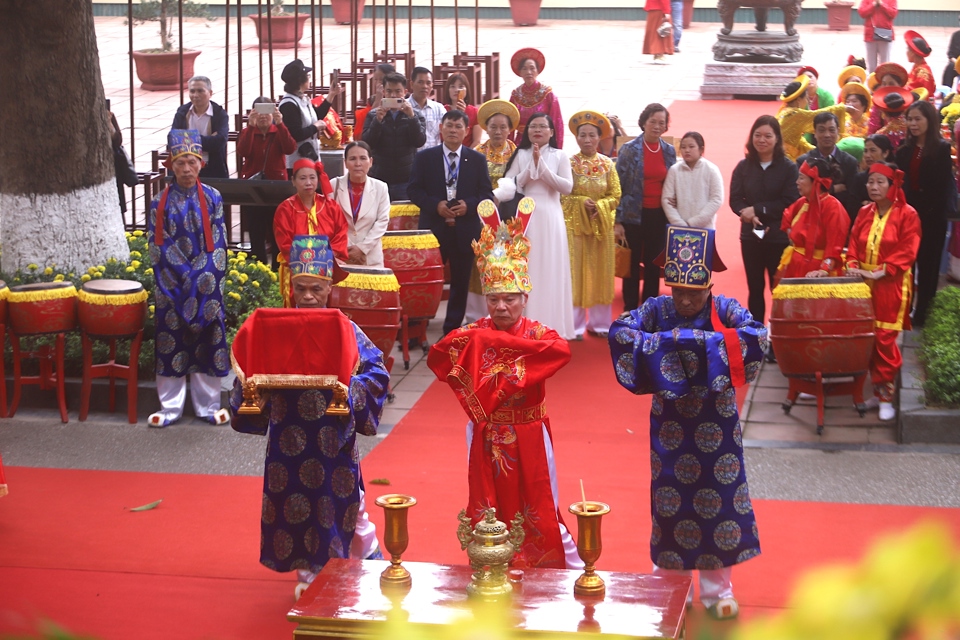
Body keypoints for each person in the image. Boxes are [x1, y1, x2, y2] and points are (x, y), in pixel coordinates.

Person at [608, 225, 766, 621]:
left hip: (718, 423)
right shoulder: (657, 310)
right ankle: (670, 584)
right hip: (672, 425)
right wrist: (663, 346)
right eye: (677, 291)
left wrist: (703, 345)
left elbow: (757, 336)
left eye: (693, 294)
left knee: (719, 499)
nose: (683, 300)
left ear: (709, 287)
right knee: (670, 501)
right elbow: (621, 332)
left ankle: (717, 589)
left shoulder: (725, 309)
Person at [229, 235, 389, 600]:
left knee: (350, 504)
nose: (308, 297)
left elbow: (376, 371)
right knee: (296, 506)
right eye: (301, 288)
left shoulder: (343, 327)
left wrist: (351, 390)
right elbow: (247, 372)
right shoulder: (274, 327)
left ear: (329, 288)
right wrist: (258, 390)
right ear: (290, 285)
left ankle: (370, 559)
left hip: (333, 437)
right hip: (288, 438)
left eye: (316, 289)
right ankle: (311, 571)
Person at [426, 212, 582, 570]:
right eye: (494, 298)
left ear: (524, 297)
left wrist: (496, 350)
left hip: (528, 431)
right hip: (486, 432)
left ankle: (561, 565)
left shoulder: (539, 334)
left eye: (510, 298)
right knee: (488, 504)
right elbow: (441, 357)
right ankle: (492, 564)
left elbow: (561, 351)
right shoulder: (474, 332)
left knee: (540, 501)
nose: (501, 307)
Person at [146, 130, 230, 428]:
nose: (186, 169)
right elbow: (159, 245)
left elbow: (219, 243)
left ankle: (209, 406)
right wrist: (185, 277)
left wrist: (200, 277)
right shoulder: (160, 203)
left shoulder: (213, 197)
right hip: (172, 286)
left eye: (191, 162)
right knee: (171, 342)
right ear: (171, 164)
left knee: (207, 338)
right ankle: (170, 408)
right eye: (180, 163)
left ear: (200, 164)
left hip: (206, 285)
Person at [407, 110, 494, 335]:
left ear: (466, 131)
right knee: (424, 281)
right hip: (433, 228)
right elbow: (414, 190)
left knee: (460, 280)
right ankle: (417, 331)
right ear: (441, 128)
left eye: (458, 126)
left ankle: (452, 330)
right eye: (449, 126)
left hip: (465, 230)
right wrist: (435, 205)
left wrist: (469, 205)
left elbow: (486, 194)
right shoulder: (425, 157)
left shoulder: (477, 159)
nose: (453, 130)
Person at [845, 164, 921, 421]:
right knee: (868, 339)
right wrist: (853, 265)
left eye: (880, 182)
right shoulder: (865, 212)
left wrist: (882, 270)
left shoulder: (908, 214)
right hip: (863, 286)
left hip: (891, 284)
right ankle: (877, 393)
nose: (874, 187)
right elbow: (853, 242)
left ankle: (886, 396)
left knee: (885, 340)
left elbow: (908, 249)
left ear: (892, 186)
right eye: (870, 182)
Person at [497, 113, 576, 339]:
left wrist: (543, 169)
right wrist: (529, 170)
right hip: (525, 217)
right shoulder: (521, 154)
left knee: (550, 266)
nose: (537, 130)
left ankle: (552, 325)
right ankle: (524, 323)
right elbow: (509, 185)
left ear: (552, 132)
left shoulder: (560, 155)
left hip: (550, 216)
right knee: (528, 267)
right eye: (533, 126)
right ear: (527, 131)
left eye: (543, 126)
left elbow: (567, 187)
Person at [730, 115, 799, 326]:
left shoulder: (788, 168)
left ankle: (778, 334)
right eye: (757, 135)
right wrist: (746, 212)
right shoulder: (743, 166)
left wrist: (758, 209)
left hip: (778, 236)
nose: (762, 140)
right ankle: (756, 334)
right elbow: (735, 199)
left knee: (778, 289)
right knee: (755, 287)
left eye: (768, 136)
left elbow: (790, 201)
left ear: (777, 138)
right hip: (750, 235)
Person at [560, 111, 622, 339]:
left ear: (599, 138)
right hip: (575, 228)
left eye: (591, 135)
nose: (587, 140)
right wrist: (579, 201)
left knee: (600, 274)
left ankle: (600, 324)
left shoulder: (607, 164)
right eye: (582, 135)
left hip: (600, 227)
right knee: (576, 275)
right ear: (576, 138)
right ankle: (574, 326)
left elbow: (615, 195)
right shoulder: (569, 164)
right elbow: (563, 196)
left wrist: (601, 205)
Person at [895, 100, 954, 327]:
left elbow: (940, 187)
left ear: (930, 120)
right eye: (910, 119)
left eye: (918, 118)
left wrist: (923, 211)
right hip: (907, 213)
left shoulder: (941, 148)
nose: (913, 123)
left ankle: (923, 313)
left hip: (932, 215)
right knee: (905, 263)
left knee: (928, 266)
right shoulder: (904, 148)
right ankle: (903, 308)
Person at [615, 103, 676, 311]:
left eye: (662, 122)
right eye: (653, 122)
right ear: (643, 123)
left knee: (653, 264)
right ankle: (630, 308)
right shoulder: (629, 150)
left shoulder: (669, 151)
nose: (657, 126)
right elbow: (618, 186)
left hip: (658, 215)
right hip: (633, 215)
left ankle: (651, 309)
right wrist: (618, 220)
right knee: (631, 265)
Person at [469, 99, 521, 322]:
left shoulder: (518, 153)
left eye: (503, 127)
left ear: (510, 129)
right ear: (486, 128)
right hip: (481, 215)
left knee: (507, 259)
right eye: (493, 127)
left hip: (509, 216)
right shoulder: (476, 152)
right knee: (482, 260)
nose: (498, 131)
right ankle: (476, 311)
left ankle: (508, 307)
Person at [274, 159, 349, 307]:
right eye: (302, 178)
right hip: (297, 272)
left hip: (327, 270)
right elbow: (285, 243)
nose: (308, 182)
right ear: (293, 181)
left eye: (312, 177)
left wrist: (328, 258)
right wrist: (306, 264)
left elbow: (340, 233)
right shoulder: (285, 209)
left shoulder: (330, 206)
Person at [237, 96, 298, 264]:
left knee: (277, 230)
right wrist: (250, 127)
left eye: (267, 112)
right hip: (252, 187)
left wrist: (280, 124)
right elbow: (243, 151)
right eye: (259, 112)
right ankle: (258, 267)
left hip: (276, 188)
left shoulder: (279, 131)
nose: (263, 116)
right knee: (255, 231)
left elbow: (290, 148)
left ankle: (278, 268)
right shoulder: (247, 131)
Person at [777, 158, 851, 280]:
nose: (797, 182)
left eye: (801, 178)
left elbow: (834, 245)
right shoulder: (802, 202)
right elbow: (786, 219)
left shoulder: (833, 207)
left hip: (818, 269)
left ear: (815, 181)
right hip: (795, 264)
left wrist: (824, 269)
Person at [362, 72, 427, 201]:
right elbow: (367, 143)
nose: (393, 95)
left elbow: (419, 141)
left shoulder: (415, 115)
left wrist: (411, 117)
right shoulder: (373, 115)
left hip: (405, 179)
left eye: (398, 91)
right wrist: (377, 121)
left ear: (405, 92)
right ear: (384, 92)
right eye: (389, 91)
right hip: (379, 178)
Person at [329, 141, 390, 267]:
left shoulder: (381, 187)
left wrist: (362, 249)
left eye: (363, 158)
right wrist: (348, 248)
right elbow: (329, 221)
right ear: (345, 162)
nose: (358, 164)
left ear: (371, 162)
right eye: (352, 159)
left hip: (370, 257)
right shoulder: (334, 185)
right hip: (341, 256)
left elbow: (382, 222)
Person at [796, 112, 862, 226]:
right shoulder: (804, 162)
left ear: (838, 131)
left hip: (840, 222)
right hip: (809, 223)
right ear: (814, 133)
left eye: (831, 130)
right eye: (821, 130)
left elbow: (852, 198)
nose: (827, 135)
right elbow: (800, 195)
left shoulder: (850, 162)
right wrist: (833, 189)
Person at [278, 59, 343, 170]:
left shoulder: (302, 98)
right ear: (300, 81)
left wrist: (331, 95)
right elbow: (296, 134)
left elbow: (316, 116)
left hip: (310, 156)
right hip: (296, 160)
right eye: (308, 76)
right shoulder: (288, 104)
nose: (309, 79)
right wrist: (315, 127)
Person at [662, 131, 724, 230]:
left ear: (701, 149)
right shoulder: (674, 170)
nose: (687, 150)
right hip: (679, 229)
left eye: (691, 147)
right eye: (683, 147)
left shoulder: (711, 170)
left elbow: (716, 200)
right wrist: (680, 224)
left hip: (704, 228)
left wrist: (693, 223)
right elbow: (667, 200)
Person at [777, 77, 849, 161]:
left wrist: (817, 151)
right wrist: (842, 108)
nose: (808, 102)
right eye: (807, 98)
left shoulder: (784, 111)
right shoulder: (795, 114)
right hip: (785, 157)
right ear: (799, 100)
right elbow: (816, 116)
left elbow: (799, 142)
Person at [171, 76, 229, 179]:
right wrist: (208, 139)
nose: (195, 95)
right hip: (186, 168)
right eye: (192, 91)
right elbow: (172, 139)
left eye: (200, 91)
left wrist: (186, 139)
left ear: (210, 93)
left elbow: (219, 142)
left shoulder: (219, 114)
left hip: (212, 167)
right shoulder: (182, 112)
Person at [508, 48, 564, 148]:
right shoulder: (515, 95)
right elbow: (510, 125)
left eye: (532, 68)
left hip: (543, 142)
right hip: (521, 142)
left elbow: (557, 123)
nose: (528, 72)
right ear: (520, 72)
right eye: (524, 69)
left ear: (538, 71)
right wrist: (508, 148)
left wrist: (556, 149)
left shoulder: (548, 94)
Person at [407, 67, 446, 150]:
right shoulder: (404, 107)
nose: (424, 86)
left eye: (428, 83)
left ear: (432, 85)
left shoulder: (439, 109)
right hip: (410, 159)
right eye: (420, 82)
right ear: (411, 84)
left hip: (433, 158)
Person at [851, 133, 896, 206]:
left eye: (873, 150)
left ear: (885, 153)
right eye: (865, 151)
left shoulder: (897, 177)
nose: (867, 155)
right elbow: (852, 206)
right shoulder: (859, 178)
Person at [354, 63, 395, 140]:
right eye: (376, 79)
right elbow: (369, 121)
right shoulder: (373, 99)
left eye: (382, 80)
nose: (378, 83)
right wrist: (379, 98)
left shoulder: (401, 97)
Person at [442, 72, 481, 148]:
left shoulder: (474, 112)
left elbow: (477, 141)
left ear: (466, 90)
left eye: (461, 86)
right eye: (453, 86)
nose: (456, 90)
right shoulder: (442, 110)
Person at [858, 0, 897, 74]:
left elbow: (893, 14)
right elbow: (862, 13)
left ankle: (885, 83)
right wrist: (873, 5)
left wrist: (882, 5)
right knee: (871, 66)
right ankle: (872, 83)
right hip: (870, 35)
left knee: (885, 64)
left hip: (885, 34)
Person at [903, 30, 935, 97]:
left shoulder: (923, 71)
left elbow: (915, 91)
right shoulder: (917, 66)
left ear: (913, 53)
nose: (906, 53)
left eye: (908, 50)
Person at [943, 17, 960, 88]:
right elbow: (950, 54)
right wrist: (957, 64)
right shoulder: (956, 35)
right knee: (949, 67)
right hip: (957, 63)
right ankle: (945, 92)